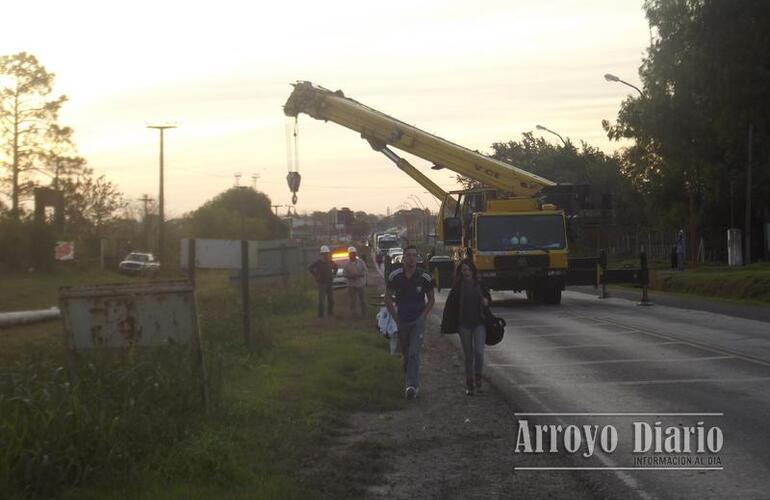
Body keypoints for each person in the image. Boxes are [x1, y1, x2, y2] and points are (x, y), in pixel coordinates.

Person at [385, 245, 435, 400]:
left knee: (414, 353)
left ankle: (412, 386)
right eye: (408, 255)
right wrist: (396, 318)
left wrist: (423, 316)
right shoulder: (395, 276)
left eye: (414, 255)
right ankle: (408, 378)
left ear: (417, 258)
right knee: (406, 354)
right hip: (402, 320)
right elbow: (388, 298)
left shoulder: (424, 277)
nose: (411, 258)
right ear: (404, 258)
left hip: (417, 320)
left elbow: (431, 299)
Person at [440, 259, 491, 396]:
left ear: (473, 270)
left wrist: (486, 301)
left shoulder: (479, 284)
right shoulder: (457, 287)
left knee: (479, 353)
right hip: (464, 326)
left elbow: (488, 297)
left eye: (468, 269)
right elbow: (449, 308)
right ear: (461, 272)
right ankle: (470, 384)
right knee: (469, 356)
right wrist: (445, 326)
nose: (466, 272)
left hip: (479, 323)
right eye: (464, 270)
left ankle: (478, 379)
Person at [308, 245, 337, 318]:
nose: (326, 255)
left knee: (331, 299)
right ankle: (320, 316)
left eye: (327, 253)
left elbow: (336, 267)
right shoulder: (318, 262)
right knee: (322, 300)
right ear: (322, 254)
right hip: (322, 283)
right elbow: (310, 268)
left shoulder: (330, 262)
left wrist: (334, 274)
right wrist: (316, 275)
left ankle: (330, 313)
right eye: (324, 253)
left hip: (329, 283)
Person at [343, 246, 368, 319]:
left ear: (355, 253)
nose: (352, 255)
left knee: (363, 300)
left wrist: (360, 275)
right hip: (351, 285)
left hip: (360, 283)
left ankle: (364, 314)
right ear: (349, 254)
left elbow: (365, 270)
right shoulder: (347, 264)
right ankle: (353, 314)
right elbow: (344, 273)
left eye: (353, 253)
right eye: (351, 253)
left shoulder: (360, 262)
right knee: (352, 301)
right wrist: (350, 276)